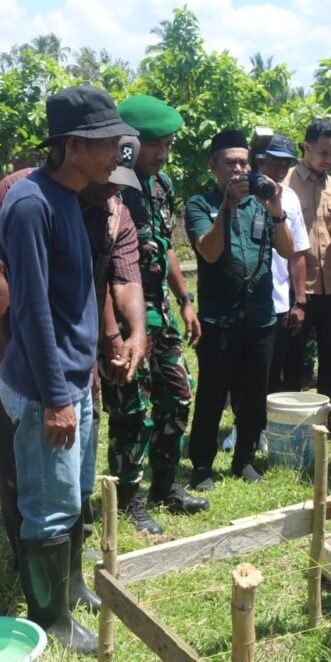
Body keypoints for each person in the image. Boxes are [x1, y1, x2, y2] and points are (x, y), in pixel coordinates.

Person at [0, 84, 139, 654]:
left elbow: (79, 295)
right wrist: (57, 397)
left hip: (74, 380)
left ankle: (72, 588)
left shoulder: (70, 197)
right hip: (45, 389)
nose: (117, 155)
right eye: (107, 144)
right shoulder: (30, 205)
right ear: (74, 146)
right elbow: (32, 312)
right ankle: (50, 619)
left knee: (74, 495)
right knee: (48, 510)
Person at [109, 95, 209, 533]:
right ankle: (127, 498)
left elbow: (164, 246)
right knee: (132, 410)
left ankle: (165, 485)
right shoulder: (111, 187)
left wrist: (185, 299)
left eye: (168, 144)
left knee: (178, 395)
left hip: (160, 312)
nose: (163, 153)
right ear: (130, 142)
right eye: (156, 145)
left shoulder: (162, 185)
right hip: (123, 313)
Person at [184, 130, 295, 489]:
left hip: (260, 315)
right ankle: (202, 465)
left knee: (254, 396)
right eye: (230, 163)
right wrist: (227, 207)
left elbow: (288, 251)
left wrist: (276, 210)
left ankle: (243, 459)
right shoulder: (199, 204)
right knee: (212, 394)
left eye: (244, 163)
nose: (238, 170)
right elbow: (209, 251)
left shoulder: (260, 204)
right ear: (213, 165)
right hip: (220, 317)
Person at [284, 118, 331, 434]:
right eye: (323, 152)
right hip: (299, 288)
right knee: (294, 357)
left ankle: (330, 414)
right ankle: (291, 414)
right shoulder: (285, 183)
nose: (329, 159)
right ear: (306, 146)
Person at [252, 133, 308, 393]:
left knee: (274, 373)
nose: (280, 170)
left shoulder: (290, 198)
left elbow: (297, 253)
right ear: (261, 161)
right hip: (246, 300)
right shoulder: (244, 192)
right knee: (246, 375)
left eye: (286, 165)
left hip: (279, 301)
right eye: (275, 162)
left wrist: (300, 302)